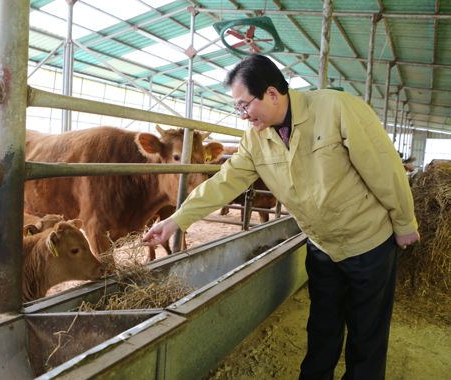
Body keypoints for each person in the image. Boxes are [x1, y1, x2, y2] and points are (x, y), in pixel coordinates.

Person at [143, 54, 420, 380]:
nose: (243, 116)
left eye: (245, 105)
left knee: (366, 332)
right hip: (322, 246)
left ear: (272, 93)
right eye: (238, 108)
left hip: (368, 241)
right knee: (322, 327)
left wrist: (404, 223)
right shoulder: (256, 140)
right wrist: (177, 220)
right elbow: (224, 182)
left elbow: (384, 168)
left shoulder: (337, 109)